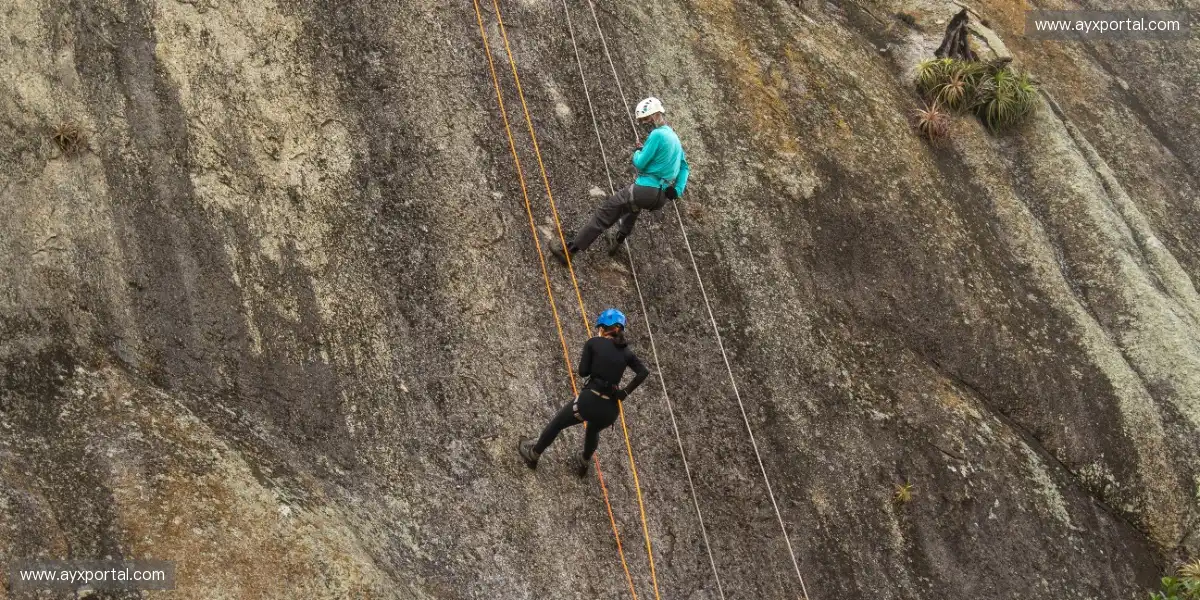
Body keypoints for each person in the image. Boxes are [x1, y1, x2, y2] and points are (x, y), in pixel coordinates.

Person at [549, 96, 690, 263]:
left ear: (653, 115)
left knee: (604, 213)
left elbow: (641, 163)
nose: (646, 122)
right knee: (633, 207)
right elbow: (684, 167)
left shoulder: (657, 134)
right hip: (660, 197)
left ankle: (569, 251)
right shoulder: (675, 139)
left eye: (646, 119)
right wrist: (678, 189)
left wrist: (638, 152)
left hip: (645, 189)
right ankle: (619, 238)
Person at [518, 308, 650, 477]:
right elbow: (643, 372)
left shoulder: (594, 342)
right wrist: (624, 393)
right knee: (593, 430)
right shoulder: (626, 352)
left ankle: (533, 454)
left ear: (604, 327)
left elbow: (583, 372)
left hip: (590, 401)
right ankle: (584, 461)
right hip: (610, 410)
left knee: (558, 423)